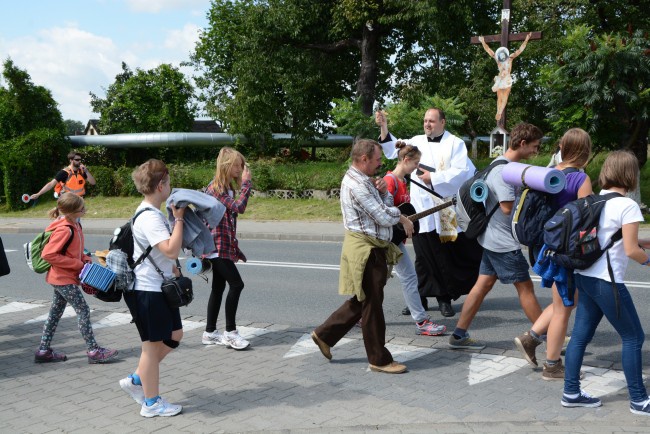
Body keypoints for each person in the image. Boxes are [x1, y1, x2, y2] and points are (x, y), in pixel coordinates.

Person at [310, 139, 412, 374]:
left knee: (364, 300)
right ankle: (379, 359)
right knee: (372, 306)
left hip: (372, 248)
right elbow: (384, 217)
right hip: (366, 251)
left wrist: (385, 193)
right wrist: (402, 216)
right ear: (364, 159)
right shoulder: (357, 186)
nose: (380, 164)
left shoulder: (365, 181)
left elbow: (384, 207)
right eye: (376, 159)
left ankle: (324, 334)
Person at [561, 150, 650, 414]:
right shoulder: (628, 205)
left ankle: (571, 392)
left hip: (585, 276)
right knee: (633, 336)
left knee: (579, 337)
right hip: (607, 281)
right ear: (630, 174)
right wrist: (647, 260)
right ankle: (638, 400)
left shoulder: (595, 200)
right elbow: (632, 250)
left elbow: (616, 238)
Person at [447, 123, 544, 350]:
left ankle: (458, 335)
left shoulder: (500, 164)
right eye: (534, 146)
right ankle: (548, 336)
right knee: (525, 288)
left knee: (482, 285)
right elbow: (508, 208)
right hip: (502, 241)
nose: (535, 151)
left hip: (492, 239)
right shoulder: (503, 172)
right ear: (522, 143)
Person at [376, 107, 479, 318]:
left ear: (443, 122)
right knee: (422, 256)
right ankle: (420, 298)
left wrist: (434, 179)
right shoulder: (417, 141)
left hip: (443, 207)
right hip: (420, 208)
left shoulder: (455, 143)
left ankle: (444, 298)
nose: (427, 124)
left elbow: (462, 172)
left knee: (443, 255)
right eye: (425, 120)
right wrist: (384, 126)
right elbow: (394, 150)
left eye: (431, 121)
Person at [513, 128, 593, 379]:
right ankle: (552, 365)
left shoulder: (548, 175)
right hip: (568, 250)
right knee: (564, 308)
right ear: (585, 151)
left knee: (567, 299)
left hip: (547, 246)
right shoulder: (581, 179)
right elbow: (588, 218)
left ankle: (532, 337)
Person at [120, 159, 186, 418]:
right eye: (168, 182)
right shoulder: (150, 217)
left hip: (158, 288)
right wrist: (179, 219)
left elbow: (162, 255)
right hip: (147, 291)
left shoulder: (152, 213)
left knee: (175, 334)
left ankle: (137, 379)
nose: (170, 186)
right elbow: (170, 248)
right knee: (151, 347)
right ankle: (151, 403)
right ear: (161, 185)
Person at [34, 193, 117, 364]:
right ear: (72, 212)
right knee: (83, 310)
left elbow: (75, 250)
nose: (85, 210)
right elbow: (48, 254)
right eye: (81, 208)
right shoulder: (65, 229)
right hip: (63, 278)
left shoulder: (75, 225)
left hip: (62, 278)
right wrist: (77, 264)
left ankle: (43, 351)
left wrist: (85, 259)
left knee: (55, 313)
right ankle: (93, 351)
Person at [384, 141, 446, 336]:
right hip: (387, 241)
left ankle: (359, 314)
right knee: (408, 278)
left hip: (395, 240)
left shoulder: (403, 182)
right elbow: (384, 211)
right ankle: (421, 321)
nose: (417, 168)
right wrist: (403, 222)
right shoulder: (390, 181)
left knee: (377, 281)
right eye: (415, 163)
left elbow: (402, 211)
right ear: (405, 159)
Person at [201, 147, 252, 350]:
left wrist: (234, 248)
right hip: (215, 247)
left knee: (218, 288)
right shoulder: (216, 188)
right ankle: (230, 332)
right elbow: (239, 207)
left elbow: (228, 223)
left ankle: (210, 332)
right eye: (237, 165)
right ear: (226, 165)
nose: (240, 169)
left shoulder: (228, 188)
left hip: (223, 247)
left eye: (241, 165)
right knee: (237, 284)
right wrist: (247, 184)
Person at [478, 33, 532, 121]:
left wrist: (526, 39)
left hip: (507, 80)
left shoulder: (510, 58)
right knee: (499, 97)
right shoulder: (498, 60)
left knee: (505, 97)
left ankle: (500, 111)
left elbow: (520, 50)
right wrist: (483, 41)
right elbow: (488, 50)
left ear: (505, 54)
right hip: (500, 79)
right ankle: (498, 111)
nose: (502, 56)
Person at [30, 151, 96, 200]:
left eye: (80, 160)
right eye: (77, 160)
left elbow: (93, 182)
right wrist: (38, 194)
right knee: (71, 218)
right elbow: (51, 184)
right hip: (68, 200)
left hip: (79, 200)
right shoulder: (64, 172)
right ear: (71, 160)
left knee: (76, 218)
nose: (79, 161)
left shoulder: (82, 171)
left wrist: (86, 171)